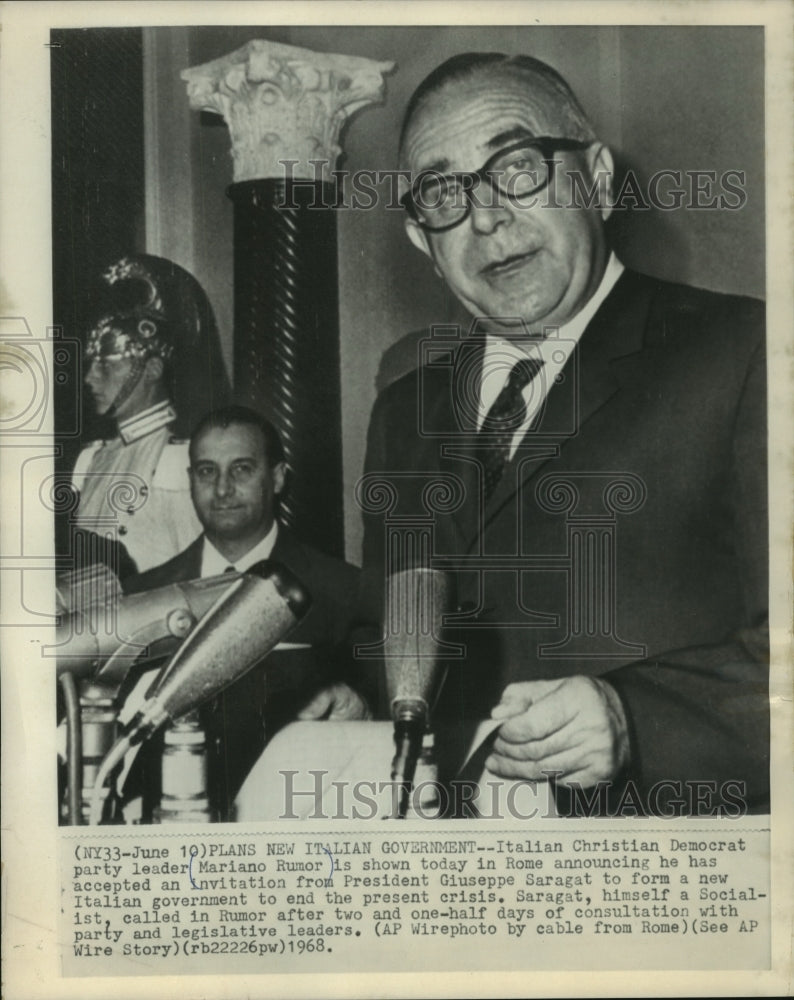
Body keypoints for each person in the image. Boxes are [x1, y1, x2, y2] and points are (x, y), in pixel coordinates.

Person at [360, 53, 768, 815]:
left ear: (600, 181)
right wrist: (347, 697)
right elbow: (399, 651)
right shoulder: (401, 416)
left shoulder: (747, 353)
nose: (485, 216)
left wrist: (636, 719)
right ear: (424, 241)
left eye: (517, 168)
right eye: (445, 191)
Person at [125, 405, 368, 819]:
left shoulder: (346, 592)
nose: (221, 489)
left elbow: (383, 721)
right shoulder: (143, 597)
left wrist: (360, 707)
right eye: (206, 471)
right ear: (190, 481)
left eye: (241, 469)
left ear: (276, 478)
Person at [71, 254, 230, 575]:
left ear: (152, 369)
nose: (90, 378)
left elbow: (204, 574)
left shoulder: (178, 459)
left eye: (107, 365)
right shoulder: (91, 458)